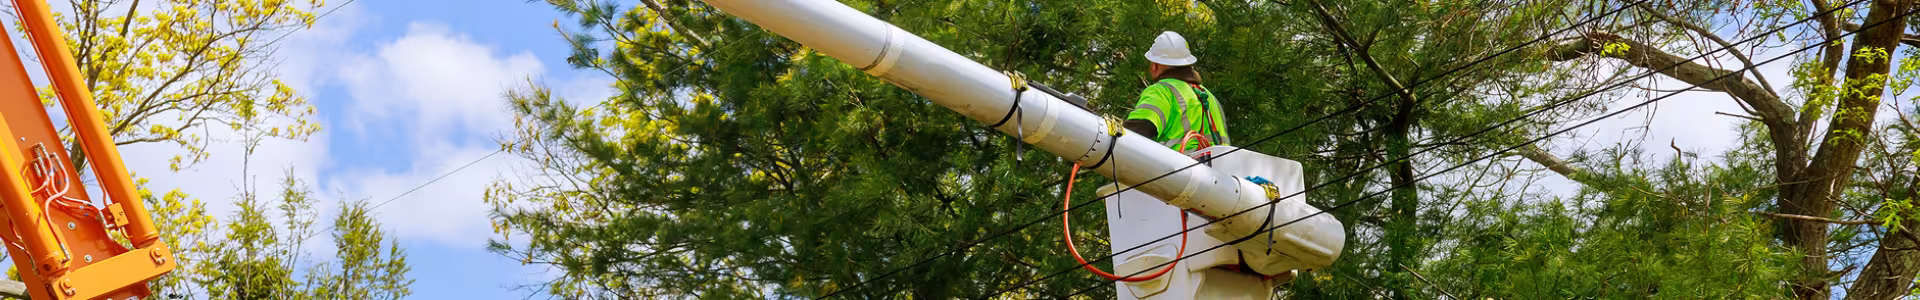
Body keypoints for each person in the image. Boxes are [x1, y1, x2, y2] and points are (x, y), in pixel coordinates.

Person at [1125, 31, 1230, 152]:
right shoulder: (1209, 97)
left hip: (1176, 169)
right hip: (1217, 169)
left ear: (1155, 65)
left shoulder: (1162, 91)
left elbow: (1136, 132)